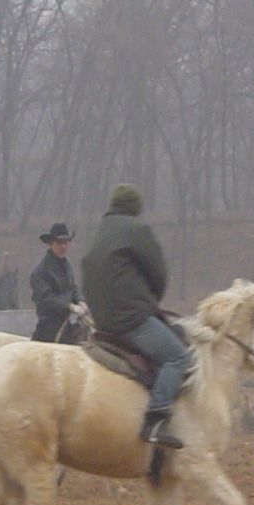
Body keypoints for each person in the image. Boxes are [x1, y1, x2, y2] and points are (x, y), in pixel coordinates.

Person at [81, 184, 189, 449]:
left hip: (102, 321)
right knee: (177, 357)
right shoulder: (137, 231)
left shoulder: (100, 233)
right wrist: (151, 301)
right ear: (135, 208)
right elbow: (158, 274)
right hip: (132, 319)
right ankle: (156, 419)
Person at [30, 222, 88, 344]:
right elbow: (46, 299)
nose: (63, 247)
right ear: (51, 244)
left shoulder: (67, 266)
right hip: (48, 326)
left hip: (66, 323)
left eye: (66, 242)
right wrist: (70, 306)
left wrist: (81, 301)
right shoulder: (41, 271)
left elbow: (72, 287)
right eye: (59, 243)